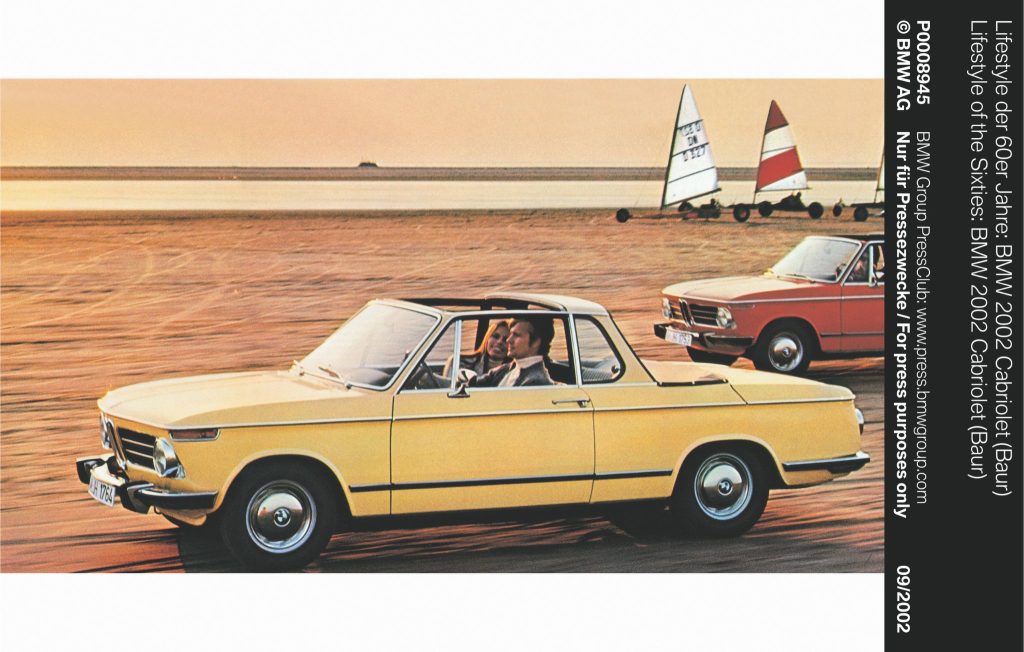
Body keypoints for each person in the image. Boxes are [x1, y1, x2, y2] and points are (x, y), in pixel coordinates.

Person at [473, 316, 555, 387]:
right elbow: (473, 383)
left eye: (516, 335)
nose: (508, 340)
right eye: (510, 334)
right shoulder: (506, 369)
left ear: (535, 342)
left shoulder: (537, 381)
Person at [443, 319, 510, 377]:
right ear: (487, 339)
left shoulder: (514, 372)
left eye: (505, 339)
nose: (499, 342)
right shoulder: (459, 362)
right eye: (495, 336)